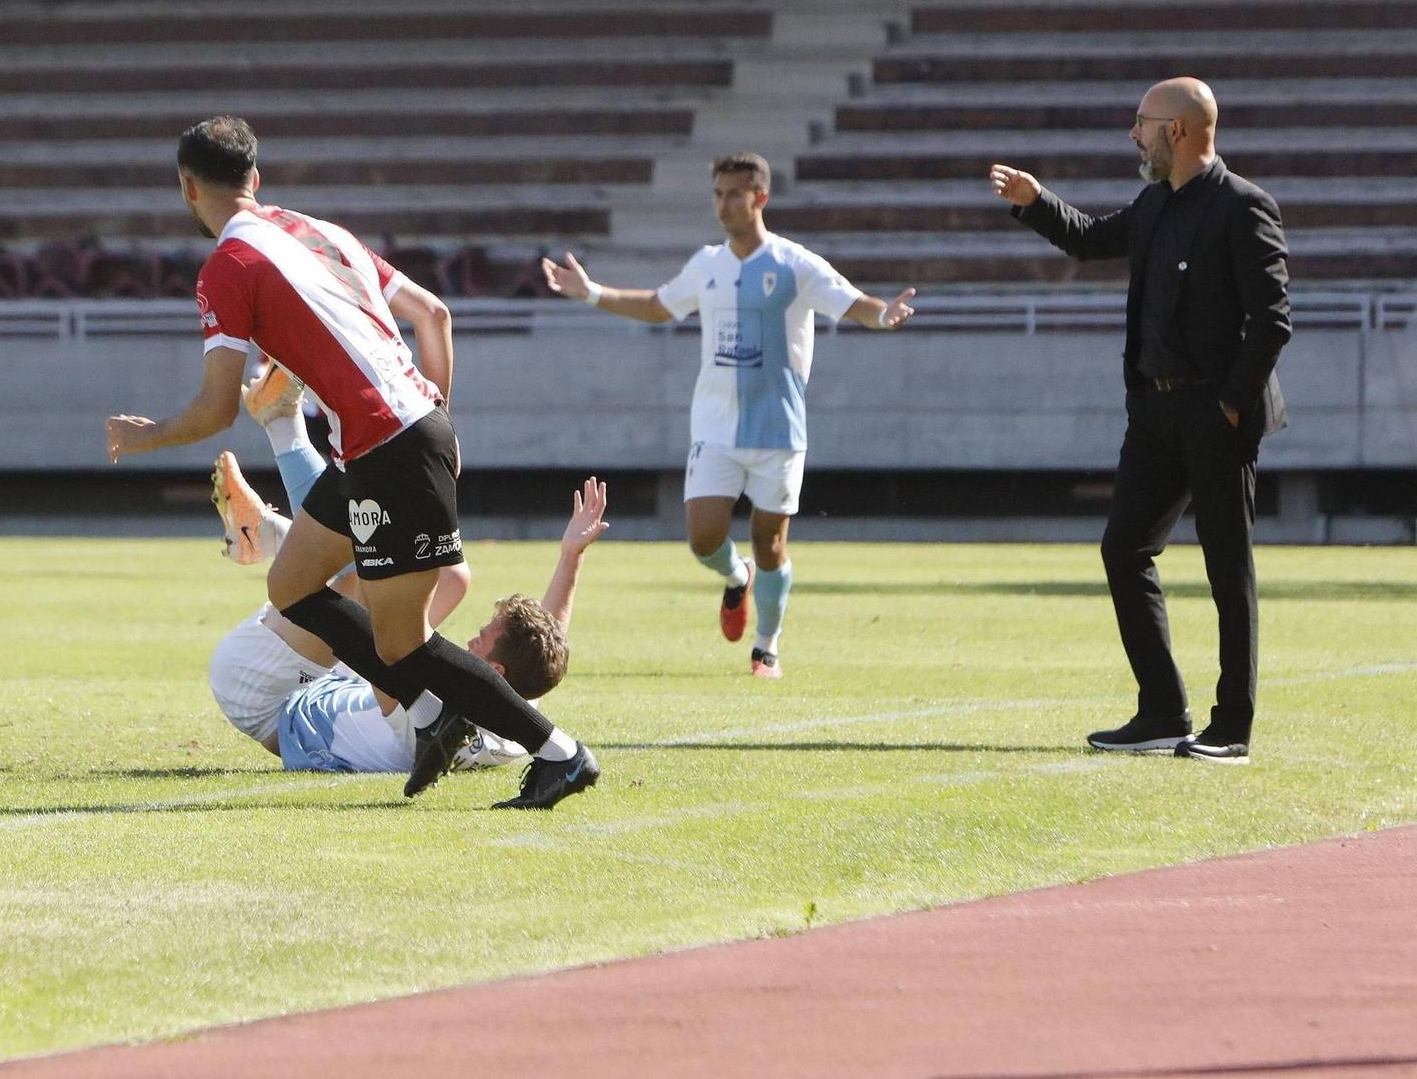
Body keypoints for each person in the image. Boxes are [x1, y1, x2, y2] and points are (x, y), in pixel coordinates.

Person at [106, 115, 598, 809]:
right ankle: (431, 717)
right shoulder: (318, 230)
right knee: (293, 585)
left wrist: (144, 435)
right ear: (256, 178)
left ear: (188, 188)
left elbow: (218, 410)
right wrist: (440, 426)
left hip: (389, 447)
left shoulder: (227, 266)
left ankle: (560, 753)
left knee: (405, 647)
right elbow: (435, 316)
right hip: (394, 437)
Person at [990, 76, 1289, 764]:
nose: (1133, 134)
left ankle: (1231, 727)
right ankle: (1161, 711)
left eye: (1142, 122)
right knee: (1124, 549)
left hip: (1218, 413)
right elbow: (1092, 239)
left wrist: (1231, 404)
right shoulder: (1155, 203)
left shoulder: (1244, 207)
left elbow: (1272, 322)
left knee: (1227, 571)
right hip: (1154, 412)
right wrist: (1035, 203)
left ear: (1176, 133)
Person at [541, 152, 916, 679]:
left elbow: (852, 302)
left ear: (759, 198)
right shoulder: (708, 264)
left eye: (733, 194)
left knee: (771, 543)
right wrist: (593, 292)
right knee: (702, 537)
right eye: (717, 194)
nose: (723, 204)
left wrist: (883, 315)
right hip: (715, 428)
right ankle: (734, 577)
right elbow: (658, 304)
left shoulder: (794, 264)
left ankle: (767, 645)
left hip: (779, 428)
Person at [208, 402, 607, 774]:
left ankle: (282, 438)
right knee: (450, 578)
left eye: (483, 639)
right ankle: (268, 530)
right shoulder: (514, 714)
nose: (471, 640)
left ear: (497, 671)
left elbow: (383, 648)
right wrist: (572, 554)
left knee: (374, 575)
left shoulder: (441, 715)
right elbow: (546, 646)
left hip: (265, 695)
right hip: (331, 682)